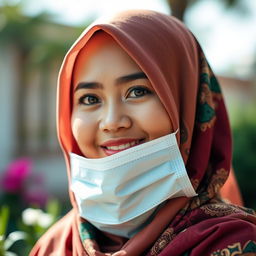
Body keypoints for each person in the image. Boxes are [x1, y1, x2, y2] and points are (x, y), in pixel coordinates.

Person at [30, 10, 256, 256]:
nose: (112, 122)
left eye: (137, 91)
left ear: (188, 104)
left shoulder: (235, 244)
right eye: (90, 98)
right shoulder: (54, 246)